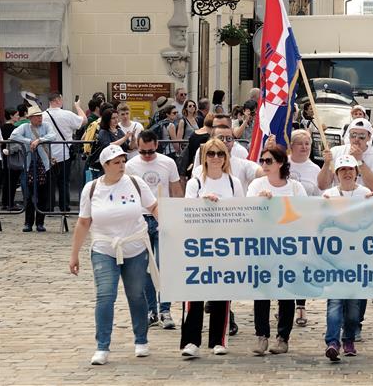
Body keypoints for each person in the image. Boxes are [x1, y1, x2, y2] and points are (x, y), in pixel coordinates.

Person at [69, 144, 159, 365]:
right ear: (105, 165)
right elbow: (83, 222)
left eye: (123, 161)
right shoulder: (91, 189)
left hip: (135, 246)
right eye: (116, 163)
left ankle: (141, 340)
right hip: (104, 248)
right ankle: (102, 346)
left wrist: (169, 228)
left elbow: (154, 207)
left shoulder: (136, 183)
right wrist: (74, 254)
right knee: (106, 295)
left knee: (137, 294)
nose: (121, 166)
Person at [181, 139, 244, 358]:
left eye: (220, 154)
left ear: (226, 157)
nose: (215, 158)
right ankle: (190, 340)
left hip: (224, 244)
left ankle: (219, 339)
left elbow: (241, 213)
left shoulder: (234, 183)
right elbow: (186, 211)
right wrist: (202, 201)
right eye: (211, 154)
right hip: (199, 244)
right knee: (194, 294)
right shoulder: (195, 182)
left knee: (221, 293)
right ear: (204, 157)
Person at [247, 145, 306, 356]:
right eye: (262, 160)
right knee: (262, 292)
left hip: (288, 246)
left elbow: (304, 213)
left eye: (269, 160)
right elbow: (248, 212)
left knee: (286, 294)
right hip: (263, 246)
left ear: (280, 163)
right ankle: (261, 335)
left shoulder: (296, 187)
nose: (264, 164)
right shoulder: (256, 185)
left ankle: (283, 337)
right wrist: (260, 202)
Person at [125, 130, 183, 329]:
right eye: (143, 152)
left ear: (156, 145)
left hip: (163, 216)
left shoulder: (168, 163)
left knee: (163, 265)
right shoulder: (131, 165)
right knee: (146, 268)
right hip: (140, 219)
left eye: (150, 152)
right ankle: (152, 310)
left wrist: (179, 216)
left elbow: (176, 190)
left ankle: (165, 309)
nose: (147, 156)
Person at [319, 155, 372, 361]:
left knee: (353, 306)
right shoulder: (329, 194)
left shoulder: (365, 193)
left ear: (356, 173)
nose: (347, 173)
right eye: (343, 170)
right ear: (337, 174)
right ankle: (332, 341)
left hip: (358, 257)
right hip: (334, 257)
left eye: (350, 169)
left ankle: (348, 338)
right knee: (335, 303)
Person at [9, 105, 57, 231]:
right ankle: (28, 223)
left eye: (40, 115)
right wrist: (29, 141)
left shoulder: (46, 126)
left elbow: (53, 136)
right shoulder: (25, 127)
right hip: (29, 166)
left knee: (43, 196)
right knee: (29, 195)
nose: (39, 118)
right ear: (30, 118)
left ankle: (40, 223)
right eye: (36, 116)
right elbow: (14, 136)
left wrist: (40, 140)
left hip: (44, 166)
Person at [43, 92, 87, 213]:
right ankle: (64, 207)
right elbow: (83, 121)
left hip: (47, 154)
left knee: (50, 182)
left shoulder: (42, 116)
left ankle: (49, 207)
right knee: (63, 181)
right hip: (64, 152)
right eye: (61, 99)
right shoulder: (66, 114)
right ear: (57, 100)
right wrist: (77, 107)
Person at [318, 118, 373, 193]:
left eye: (362, 136)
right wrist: (326, 164)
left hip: (365, 200)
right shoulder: (336, 151)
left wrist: (359, 161)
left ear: (369, 137)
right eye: (353, 135)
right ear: (349, 136)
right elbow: (322, 186)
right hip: (340, 200)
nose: (356, 139)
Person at [191, 124, 263, 193]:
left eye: (229, 138)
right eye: (220, 138)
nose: (225, 141)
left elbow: (263, 172)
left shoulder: (243, 165)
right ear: (212, 139)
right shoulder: (199, 170)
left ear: (233, 142)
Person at [89, 109, 132, 178]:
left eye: (117, 117)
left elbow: (129, 147)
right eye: (113, 118)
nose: (116, 120)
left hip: (120, 163)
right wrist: (125, 138)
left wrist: (133, 139)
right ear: (107, 119)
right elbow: (109, 145)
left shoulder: (119, 131)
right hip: (107, 165)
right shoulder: (103, 132)